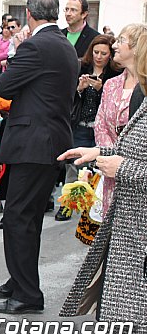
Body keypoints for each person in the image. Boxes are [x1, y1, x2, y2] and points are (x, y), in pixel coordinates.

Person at [0, 0, 79, 314]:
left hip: (33, 144)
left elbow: (5, 86)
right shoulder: (63, 43)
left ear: (29, 13)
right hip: (48, 142)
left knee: (18, 219)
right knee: (28, 220)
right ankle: (20, 281)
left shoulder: (36, 45)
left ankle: (26, 293)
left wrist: (16, 53)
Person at [58, 23, 147, 334]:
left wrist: (123, 168)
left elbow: (132, 160)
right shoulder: (135, 92)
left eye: (123, 41)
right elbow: (129, 147)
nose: (115, 46)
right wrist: (97, 151)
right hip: (130, 225)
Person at [61, 34, 120, 223]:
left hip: (101, 129)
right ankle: (67, 205)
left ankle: (94, 208)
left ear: (110, 55)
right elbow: (69, 97)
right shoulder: (82, 67)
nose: (99, 56)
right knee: (73, 167)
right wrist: (80, 88)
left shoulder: (114, 74)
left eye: (104, 53)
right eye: (96, 52)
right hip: (80, 124)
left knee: (98, 169)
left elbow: (114, 104)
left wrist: (102, 89)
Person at [94, 24, 147, 218]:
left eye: (121, 41)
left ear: (136, 48)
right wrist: (108, 158)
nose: (114, 45)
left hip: (137, 173)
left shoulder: (144, 88)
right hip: (110, 170)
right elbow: (100, 124)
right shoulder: (111, 84)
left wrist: (124, 163)